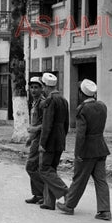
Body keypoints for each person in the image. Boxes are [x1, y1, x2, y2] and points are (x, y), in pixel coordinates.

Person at [57, 79, 112, 221]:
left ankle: (69, 205)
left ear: (81, 93)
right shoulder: (102, 106)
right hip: (101, 147)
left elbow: (81, 135)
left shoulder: (82, 109)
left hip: (87, 150)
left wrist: (78, 153)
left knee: (79, 179)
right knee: (101, 180)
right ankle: (105, 210)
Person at [38, 72, 69, 210]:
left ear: (45, 86)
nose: (42, 89)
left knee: (44, 169)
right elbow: (66, 124)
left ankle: (65, 191)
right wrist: (62, 138)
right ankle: (49, 201)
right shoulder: (63, 100)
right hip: (60, 139)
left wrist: (42, 143)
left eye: (43, 86)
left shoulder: (50, 100)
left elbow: (47, 124)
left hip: (50, 140)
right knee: (52, 170)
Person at [24, 76, 46, 204]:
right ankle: (37, 194)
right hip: (34, 138)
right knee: (34, 167)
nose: (33, 90)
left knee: (30, 167)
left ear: (42, 89)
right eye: (31, 87)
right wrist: (30, 138)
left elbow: (46, 123)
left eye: (36, 87)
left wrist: (35, 129)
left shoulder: (42, 103)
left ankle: (44, 193)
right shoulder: (34, 102)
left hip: (40, 139)